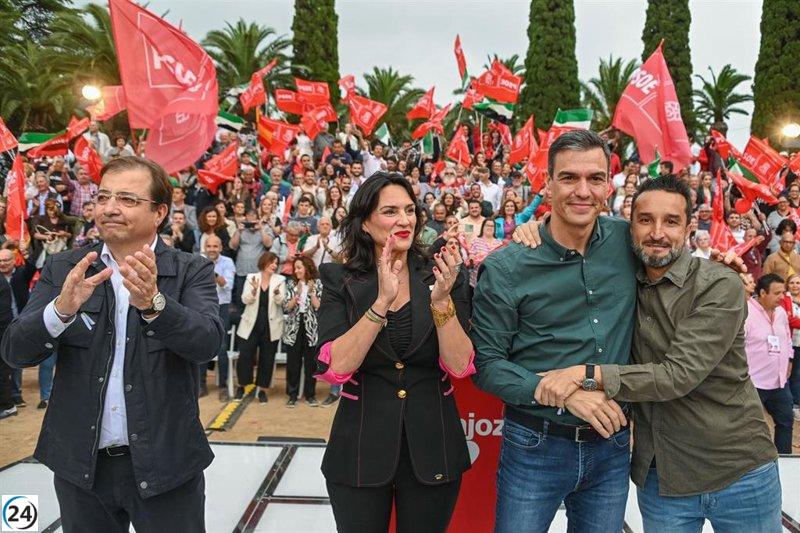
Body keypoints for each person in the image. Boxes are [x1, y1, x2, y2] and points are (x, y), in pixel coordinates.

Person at [533, 176, 782, 531]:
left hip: (738, 472)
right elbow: (570, 227)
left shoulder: (717, 283)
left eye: (671, 221)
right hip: (661, 477)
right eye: (645, 219)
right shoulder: (619, 279)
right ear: (628, 225)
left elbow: (679, 374)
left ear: (689, 227)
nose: (657, 233)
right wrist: (534, 228)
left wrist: (586, 373)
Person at [1, 155, 224, 532]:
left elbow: (207, 343)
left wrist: (157, 306)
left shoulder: (190, 269)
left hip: (167, 464)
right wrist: (60, 310)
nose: (110, 208)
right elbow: (15, 351)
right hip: (81, 470)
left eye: (127, 199)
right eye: (103, 198)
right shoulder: (66, 269)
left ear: (159, 212)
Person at [472, 130, 635, 532]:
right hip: (535, 445)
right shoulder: (508, 266)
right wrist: (568, 395)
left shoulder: (628, 241)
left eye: (595, 178)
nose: (583, 190)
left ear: (609, 185)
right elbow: (487, 365)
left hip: (612, 443)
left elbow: (677, 254)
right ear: (547, 184)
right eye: (569, 178)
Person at [315, 172, 474, 532]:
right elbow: (335, 367)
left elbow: (460, 365)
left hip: (434, 445)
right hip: (358, 448)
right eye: (390, 211)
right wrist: (381, 302)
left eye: (409, 210)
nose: (404, 220)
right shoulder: (338, 278)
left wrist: (442, 303)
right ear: (365, 223)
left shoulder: (442, 273)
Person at [745, 273, 795, 454]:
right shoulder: (746, 313)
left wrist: (789, 359)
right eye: (777, 293)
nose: (782, 297)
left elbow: (787, 339)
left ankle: (784, 459)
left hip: (779, 382)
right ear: (763, 293)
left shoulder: (781, 313)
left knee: (786, 421)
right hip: (753, 384)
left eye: (783, 292)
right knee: (749, 429)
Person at [235, 251, 286, 403]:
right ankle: (242, 386)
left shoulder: (280, 279)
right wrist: (254, 290)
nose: (274, 265)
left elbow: (281, 301)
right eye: (272, 262)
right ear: (264, 262)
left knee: (267, 358)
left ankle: (262, 390)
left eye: (276, 263)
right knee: (245, 356)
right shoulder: (251, 278)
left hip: (271, 325)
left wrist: (277, 293)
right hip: (250, 324)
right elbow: (245, 300)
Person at [282, 255, 322, 407]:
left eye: (299, 267)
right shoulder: (292, 284)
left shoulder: (317, 284)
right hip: (294, 327)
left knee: (311, 364)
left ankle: (310, 395)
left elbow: (318, 306)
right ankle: (292, 395)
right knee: (293, 362)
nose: (296, 271)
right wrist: (298, 293)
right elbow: (287, 307)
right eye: (295, 268)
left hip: (311, 328)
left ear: (307, 268)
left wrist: (311, 293)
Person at [0, 245, 36, 410]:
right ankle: (10, 396)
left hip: (20, 322)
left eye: (6, 260)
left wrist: (24, 252)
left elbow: (31, 268)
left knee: (15, 360)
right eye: (0, 260)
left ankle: (16, 394)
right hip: (3, 323)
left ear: (14, 261)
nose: (3, 263)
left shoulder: (21, 273)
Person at [200, 234, 235, 401]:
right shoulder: (197, 260)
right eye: (209, 246)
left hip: (221, 308)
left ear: (220, 248)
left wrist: (211, 272)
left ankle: (222, 386)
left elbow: (227, 285)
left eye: (215, 246)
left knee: (222, 348)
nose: (212, 250)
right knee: (199, 346)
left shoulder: (227, 262)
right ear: (205, 247)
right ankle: (200, 385)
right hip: (202, 307)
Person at [782, 273, 800, 420]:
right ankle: (791, 404)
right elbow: (788, 319)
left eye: (798, 283)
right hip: (790, 341)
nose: (795, 286)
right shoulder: (784, 298)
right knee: (791, 373)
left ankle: (796, 402)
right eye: (792, 283)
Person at [468, 218, 503, 286]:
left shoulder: (499, 243)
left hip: (493, 279)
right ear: (483, 227)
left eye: (492, 226)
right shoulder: (476, 241)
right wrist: (473, 260)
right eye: (487, 225)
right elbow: (471, 256)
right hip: (475, 279)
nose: (490, 227)